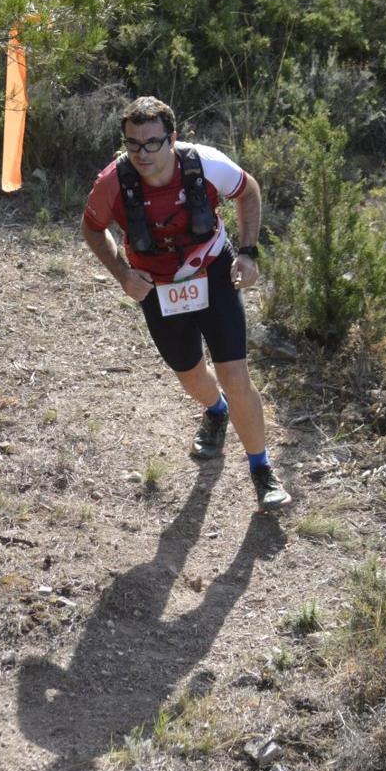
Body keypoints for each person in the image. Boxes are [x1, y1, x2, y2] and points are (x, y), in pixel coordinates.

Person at [80, 96, 291, 512]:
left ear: (172, 139)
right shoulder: (112, 183)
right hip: (157, 286)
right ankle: (216, 412)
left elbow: (248, 192)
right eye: (133, 143)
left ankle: (261, 471)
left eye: (152, 142)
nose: (142, 153)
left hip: (212, 270)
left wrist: (247, 252)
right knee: (191, 375)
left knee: (234, 373)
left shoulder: (205, 164)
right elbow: (92, 229)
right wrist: (123, 274)